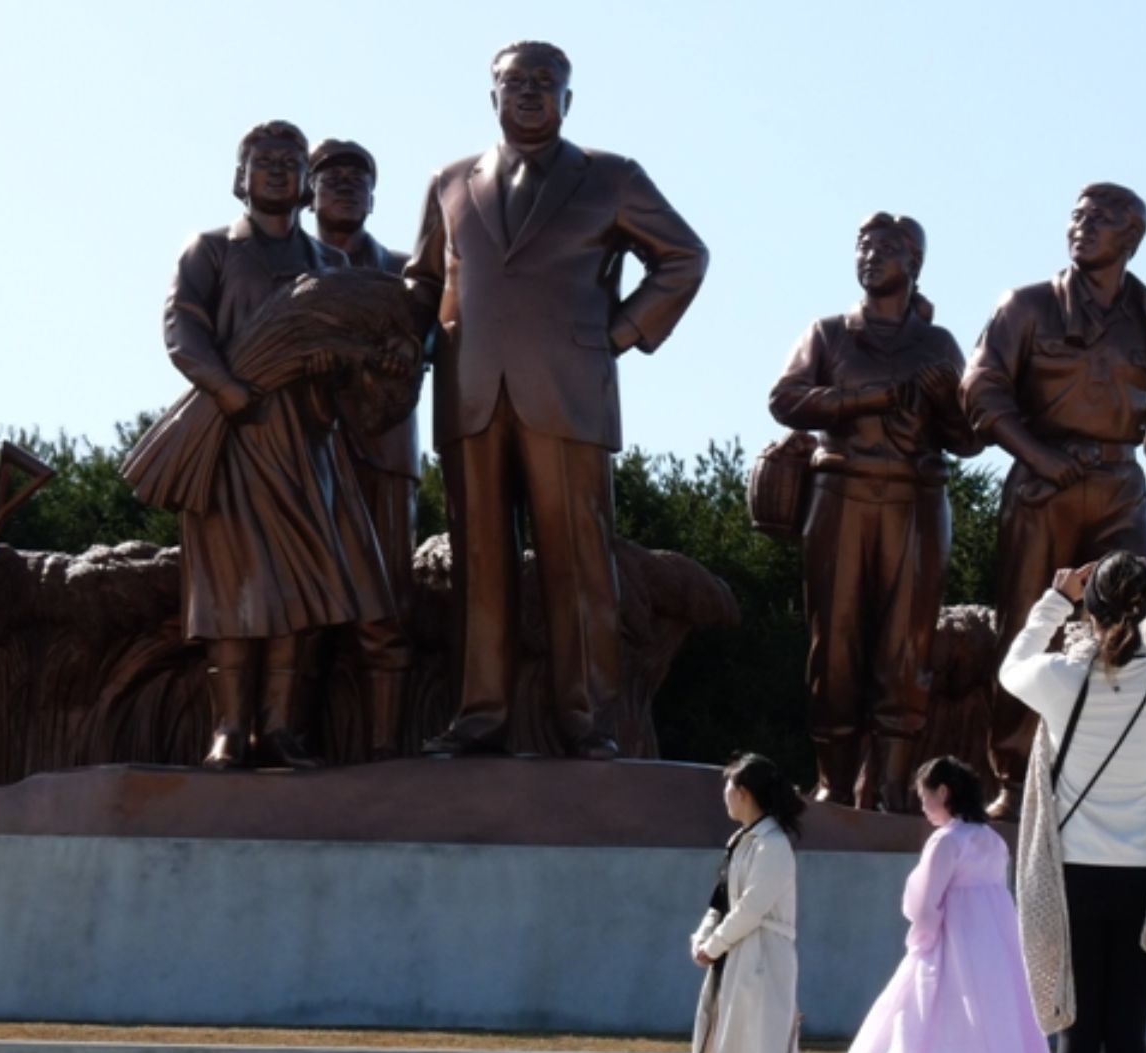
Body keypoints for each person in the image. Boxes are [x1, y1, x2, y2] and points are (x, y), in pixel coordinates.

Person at [406, 40, 708, 760]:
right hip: (470, 390)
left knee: (578, 561)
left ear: (569, 100)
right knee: (480, 562)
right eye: (515, 82)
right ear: (493, 97)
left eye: (547, 83)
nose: (530, 92)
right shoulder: (449, 180)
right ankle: (480, 714)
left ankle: (587, 720)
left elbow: (684, 257)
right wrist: (405, 341)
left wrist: (619, 332)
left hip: (569, 389)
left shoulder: (611, 177)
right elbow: (422, 280)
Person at [124, 120, 393, 770]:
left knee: (297, 594)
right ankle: (229, 727)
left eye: (290, 161)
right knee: (231, 591)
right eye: (262, 160)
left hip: (307, 448)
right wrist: (226, 388)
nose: (276, 169)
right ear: (240, 177)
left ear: (306, 184)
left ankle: (278, 729)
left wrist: (338, 364)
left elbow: (358, 354)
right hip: (230, 440)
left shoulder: (330, 264)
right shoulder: (211, 249)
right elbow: (181, 325)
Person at [961, 183, 1146, 819]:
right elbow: (982, 391)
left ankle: (1122, 779)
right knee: (1026, 622)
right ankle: (1015, 779)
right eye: (1077, 216)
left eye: (1101, 219)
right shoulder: (1027, 306)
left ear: (1130, 239)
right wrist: (1038, 455)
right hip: (1044, 487)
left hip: (1121, 489)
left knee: (1135, 620)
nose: (1082, 226)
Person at [769, 212, 979, 811]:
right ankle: (834, 783)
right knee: (832, 648)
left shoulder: (938, 345)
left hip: (914, 501)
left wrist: (945, 402)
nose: (870, 257)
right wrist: (870, 398)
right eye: (863, 247)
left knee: (905, 651)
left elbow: (967, 439)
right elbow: (785, 398)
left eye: (886, 249)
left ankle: (890, 787)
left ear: (913, 265)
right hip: (840, 496)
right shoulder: (830, 332)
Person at [1003, 552, 1146, 1053]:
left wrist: (1054, 601)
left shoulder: (1059, 679)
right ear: (1142, 612)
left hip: (1073, 877)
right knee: (1126, 1036)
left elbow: (1011, 668)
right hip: (1143, 882)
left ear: (1087, 611)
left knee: (1078, 1031)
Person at [835, 756, 1053, 1053]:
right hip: (996, 954)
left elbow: (925, 905)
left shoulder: (947, 841)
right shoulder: (993, 841)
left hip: (950, 947)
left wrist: (921, 943)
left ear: (943, 792)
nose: (922, 805)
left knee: (923, 1023)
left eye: (924, 796)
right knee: (995, 1027)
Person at [307, 138, 417, 759]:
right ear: (309, 191)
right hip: (304, 453)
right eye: (331, 176)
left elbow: (436, 336)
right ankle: (288, 741)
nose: (345, 185)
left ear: (374, 196)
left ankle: (386, 752)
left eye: (357, 177)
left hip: (385, 456)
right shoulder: (289, 269)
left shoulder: (408, 272)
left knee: (386, 608)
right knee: (302, 606)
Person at [690, 753, 803, 1053]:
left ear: (744, 793)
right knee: (730, 1052)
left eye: (729, 785)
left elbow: (751, 908)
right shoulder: (740, 841)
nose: (724, 793)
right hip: (735, 959)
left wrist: (713, 947)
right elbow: (721, 901)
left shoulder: (774, 845)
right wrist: (702, 939)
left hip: (763, 960)